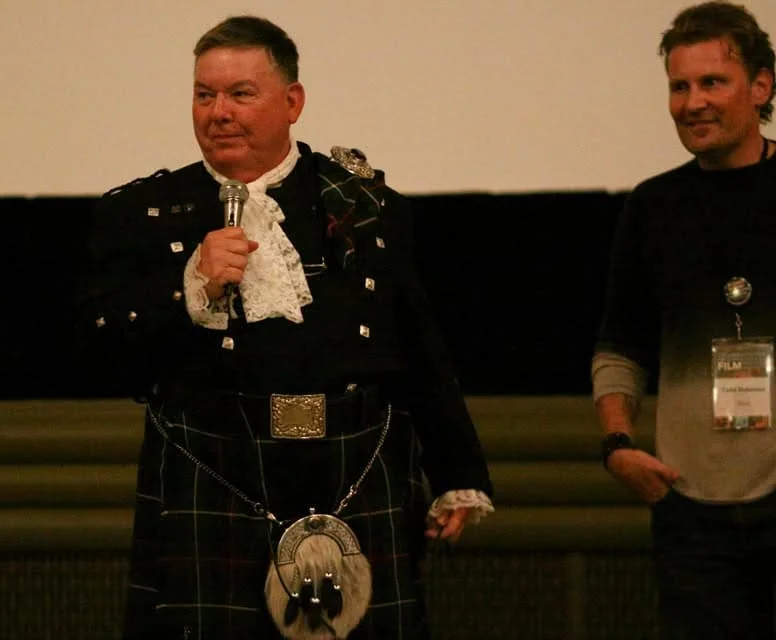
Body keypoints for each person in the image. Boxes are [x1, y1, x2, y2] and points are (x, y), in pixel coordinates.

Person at [74, 14, 494, 640]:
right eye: (204, 94)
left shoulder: (364, 205)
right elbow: (97, 348)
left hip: (355, 467)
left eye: (241, 94)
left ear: (292, 103)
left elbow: (419, 345)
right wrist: (190, 289)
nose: (219, 113)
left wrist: (458, 472)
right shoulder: (141, 214)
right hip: (211, 475)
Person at [592, 2, 776, 638]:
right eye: (679, 86)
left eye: (712, 82)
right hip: (691, 508)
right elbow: (620, 346)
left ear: (761, 86)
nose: (692, 103)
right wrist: (619, 446)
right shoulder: (653, 206)